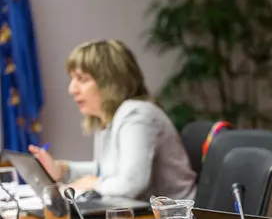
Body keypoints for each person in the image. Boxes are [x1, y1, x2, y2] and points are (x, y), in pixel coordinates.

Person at [28, 39, 196, 201]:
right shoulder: (111, 117)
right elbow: (106, 170)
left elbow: (131, 184)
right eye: (72, 79)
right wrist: (62, 170)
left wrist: (95, 184)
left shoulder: (137, 115)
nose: (72, 89)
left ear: (109, 82)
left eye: (82, 79)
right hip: (145, 217)